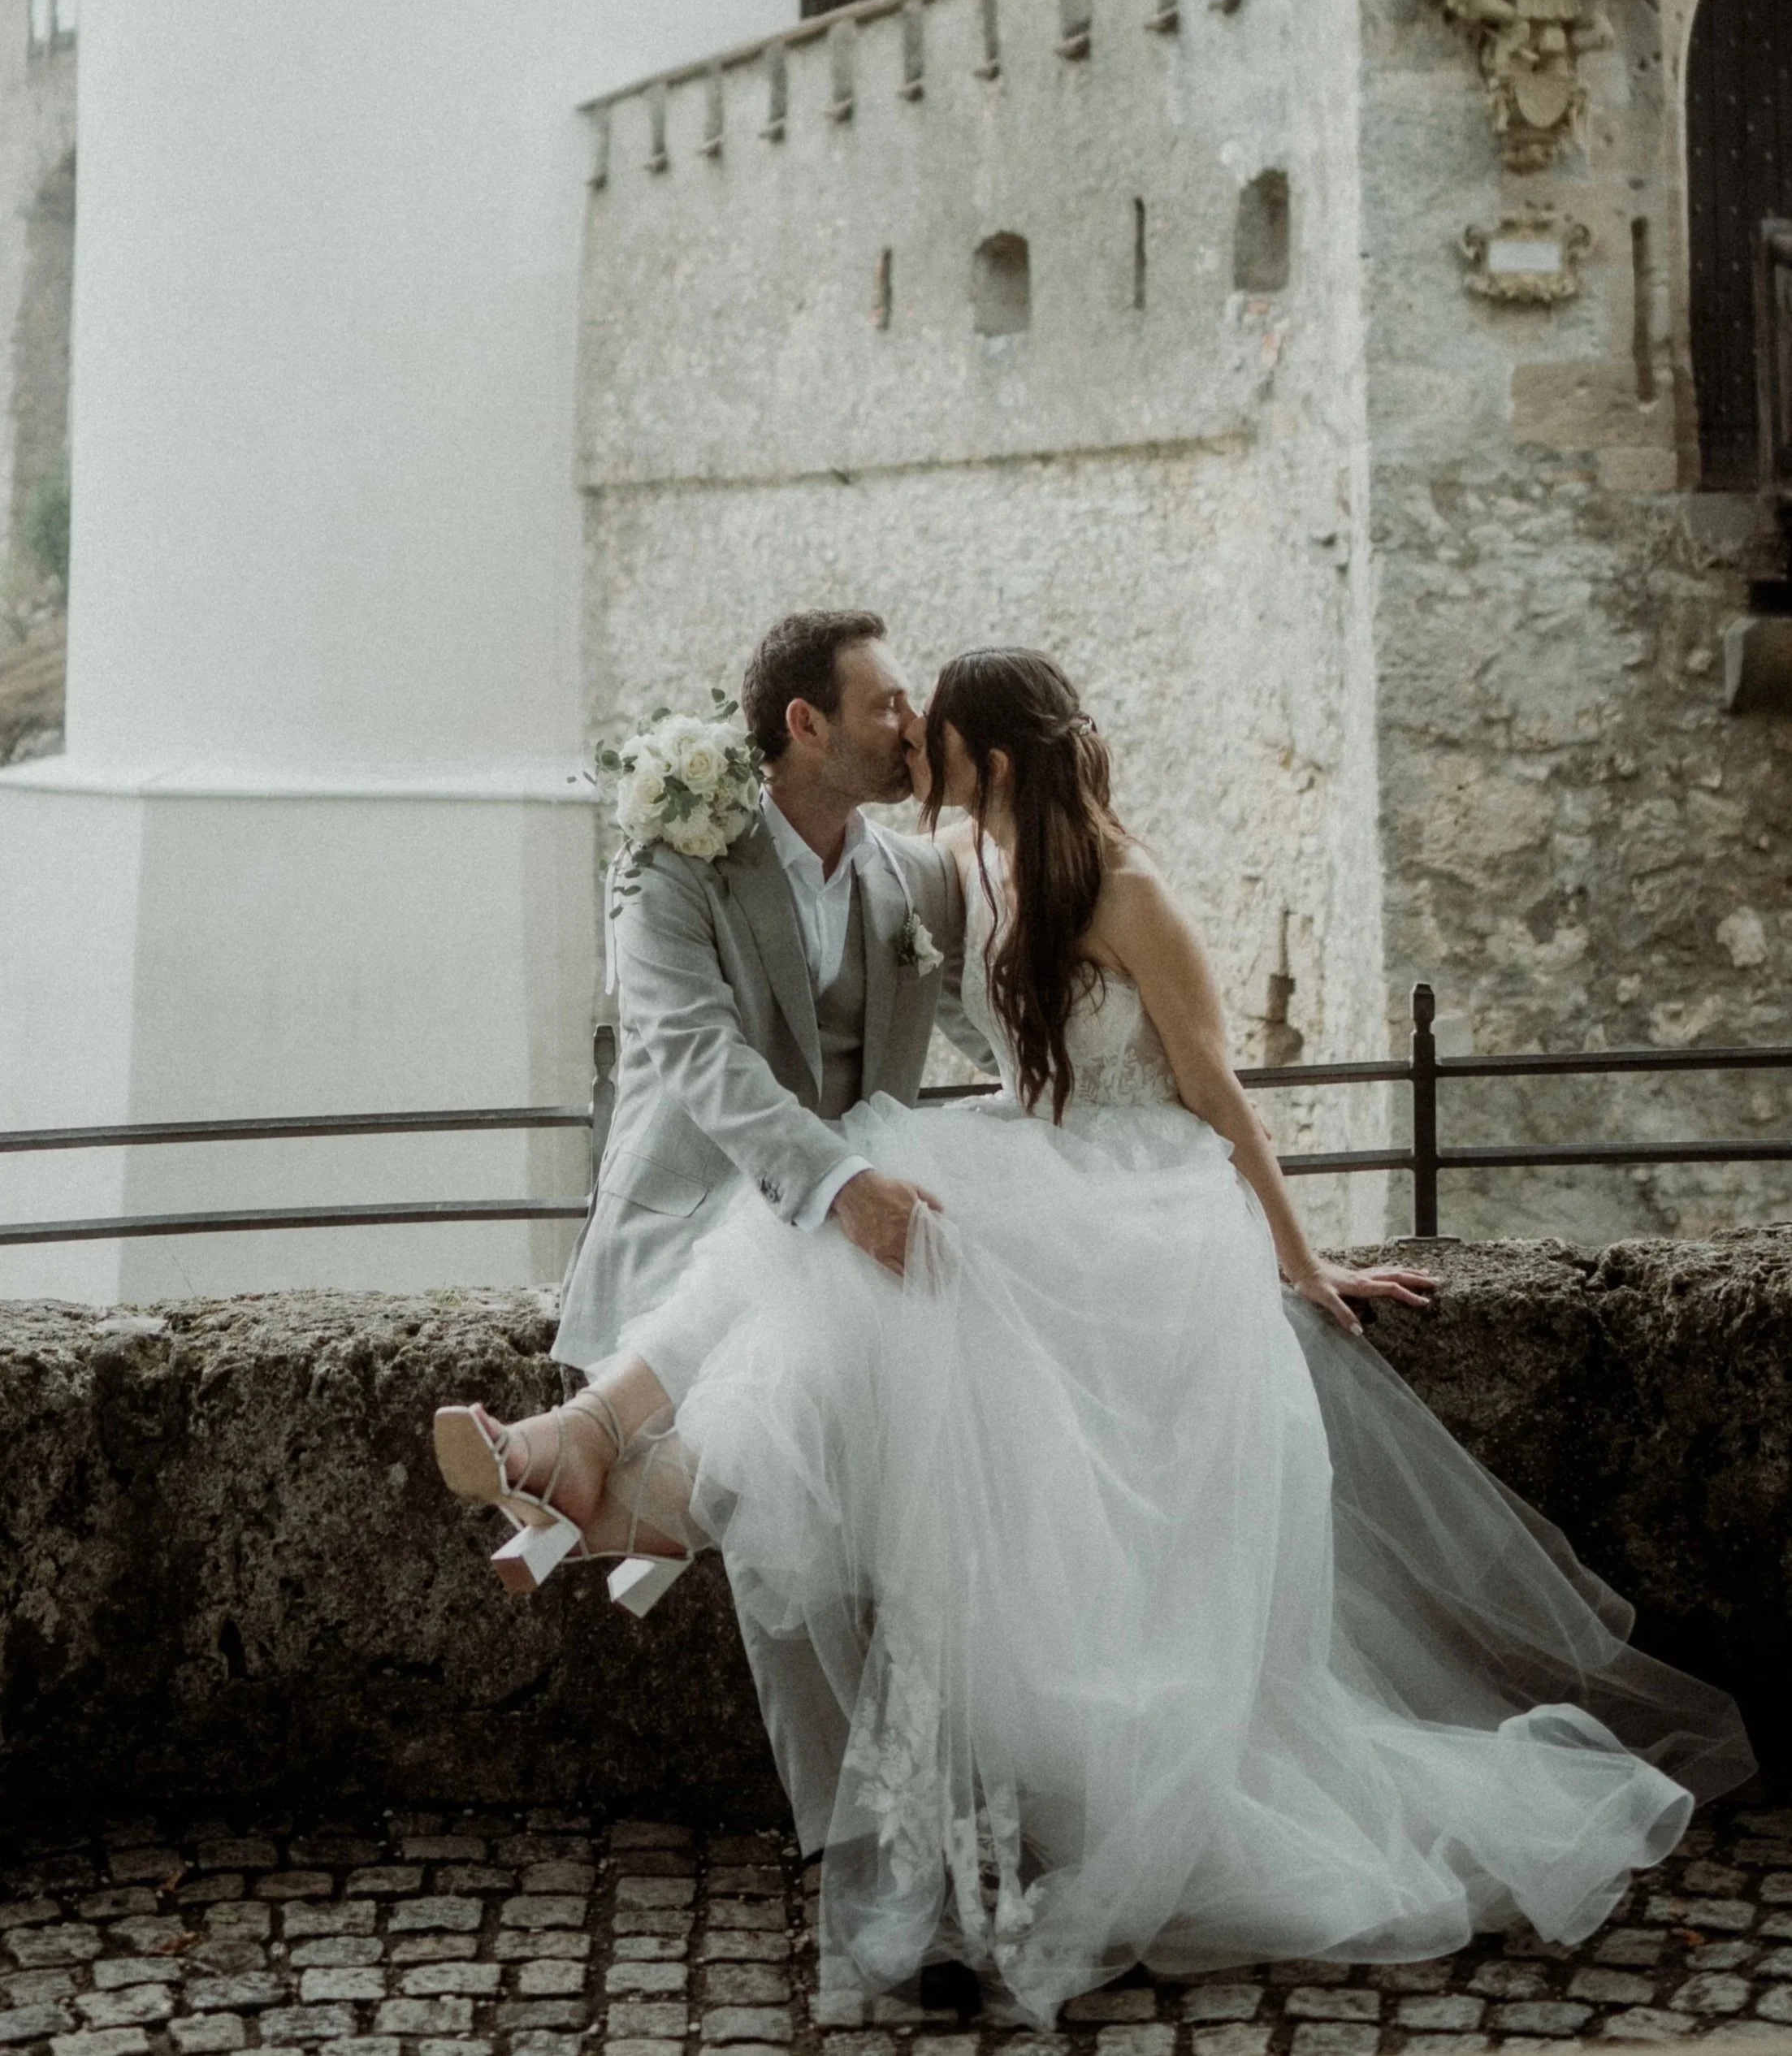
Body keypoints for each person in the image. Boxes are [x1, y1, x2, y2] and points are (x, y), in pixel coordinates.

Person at [437, 647, 1753, 2012]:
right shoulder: (978, 873)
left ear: (989, 762)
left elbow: (1219, 1092)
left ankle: (626, 1469)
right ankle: (617, 1462)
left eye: (931, 729)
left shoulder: (1123, 889)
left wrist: (1303, 1262)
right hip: (1060, 1175)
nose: (912, 746)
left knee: (858, 1194)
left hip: (1147, 1213)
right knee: (848, 1222)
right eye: (893, 710)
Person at [434, 607, 990, 1592]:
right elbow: (698, 1052)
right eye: (887, 705)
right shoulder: (667, 868)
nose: (912, 728)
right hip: (694, 1225)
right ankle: (623, 1484)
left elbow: (1001, 1035)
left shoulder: (922, 879)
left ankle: (600, 1475)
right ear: (806, 724)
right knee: (813, 1293)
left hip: (841, 1258)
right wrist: (847, 1189)